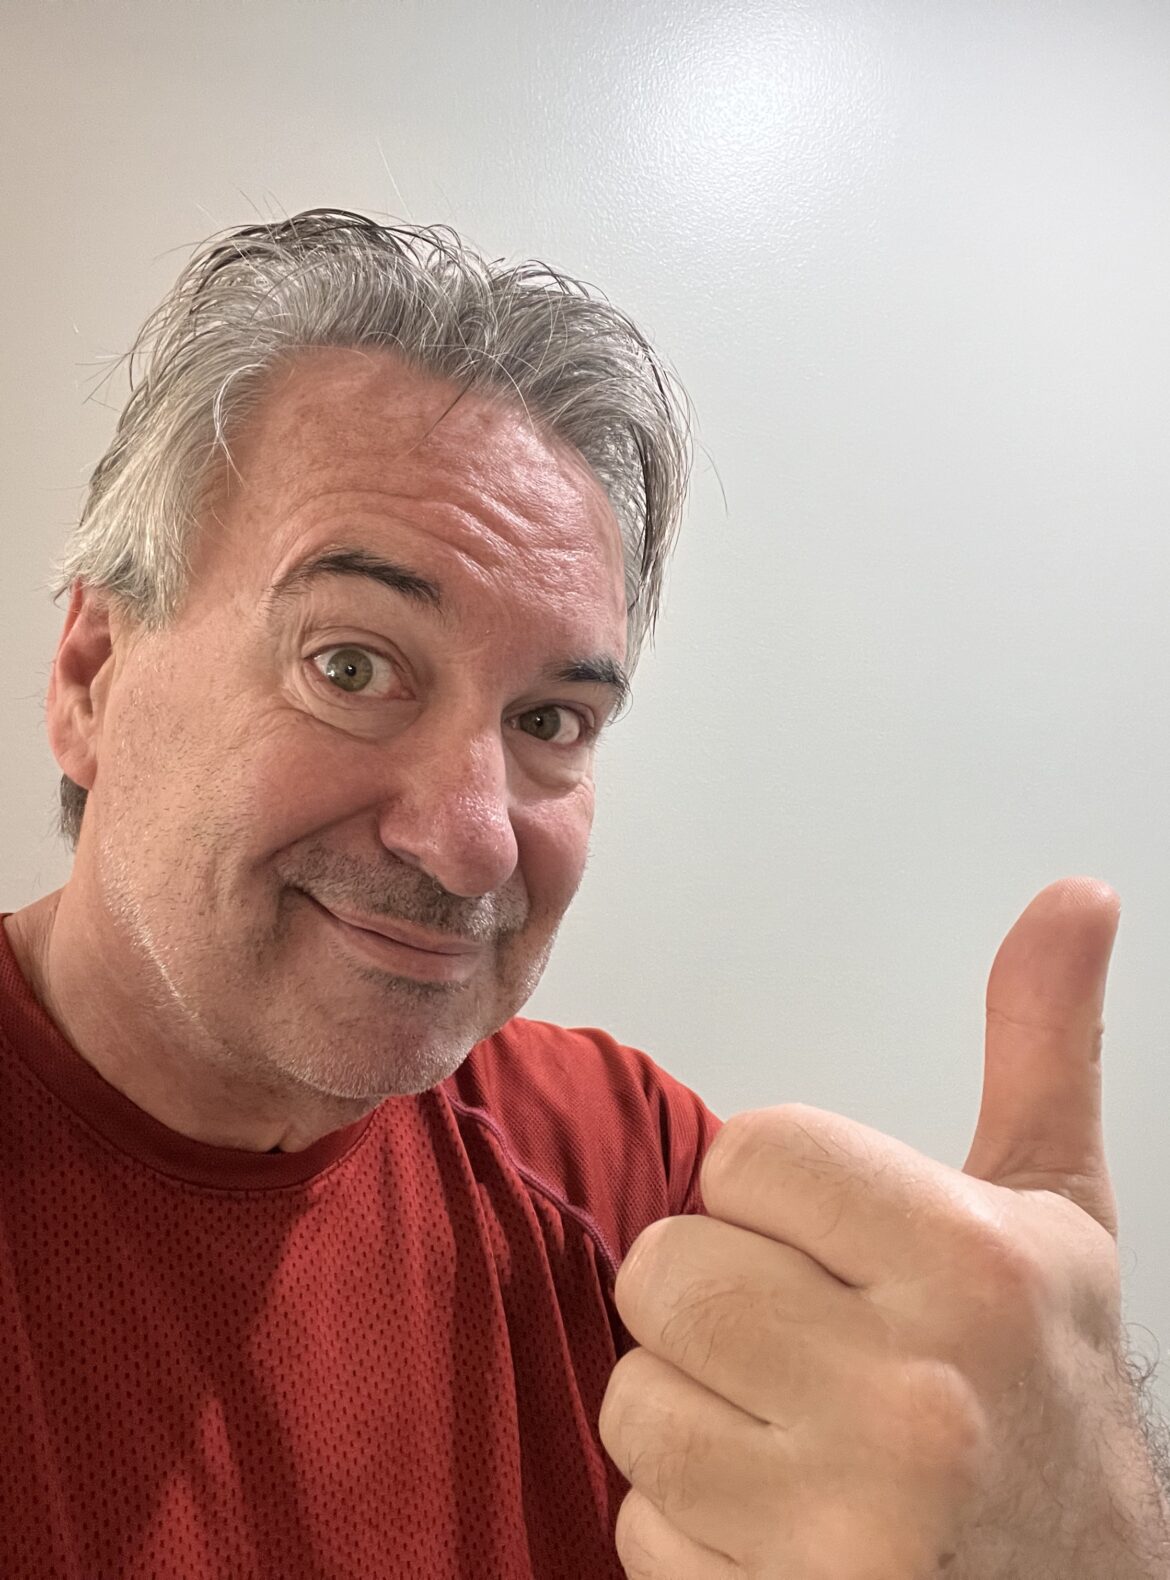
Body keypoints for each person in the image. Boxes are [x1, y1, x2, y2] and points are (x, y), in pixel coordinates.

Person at [1, 211, 1166, 1579]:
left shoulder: (623, 1173)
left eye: (550, 720)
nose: (473, 843)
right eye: (352, 666)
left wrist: (1080, 1517)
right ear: (92, 676)